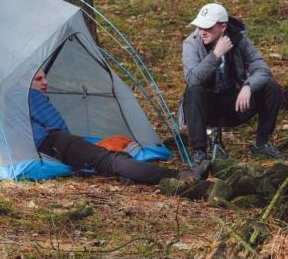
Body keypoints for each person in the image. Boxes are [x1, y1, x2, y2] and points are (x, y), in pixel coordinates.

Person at [29, 69, 209, 184]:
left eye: (45, 77)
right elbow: (58, 127)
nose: (45, 82)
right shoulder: (32, 95)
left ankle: (128, 174)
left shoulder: (10, 102)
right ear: (27, 82)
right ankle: (178, 176)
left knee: (108, 160)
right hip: (55, 142)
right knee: (110, 160)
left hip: (46, 147)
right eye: (38, 79)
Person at [182, 3, 284, 162]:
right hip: (207, 106)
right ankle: (200, 152)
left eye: (208, 27)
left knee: (272, 88)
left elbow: (262, 69)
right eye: (200, 26)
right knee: (193, 91)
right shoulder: (192, 43)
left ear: (223, 27)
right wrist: (216, 54)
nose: (202, 31)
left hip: (235, 103)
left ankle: (262, 145)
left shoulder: (239, 39)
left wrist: (248, 86)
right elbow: (193, 79)